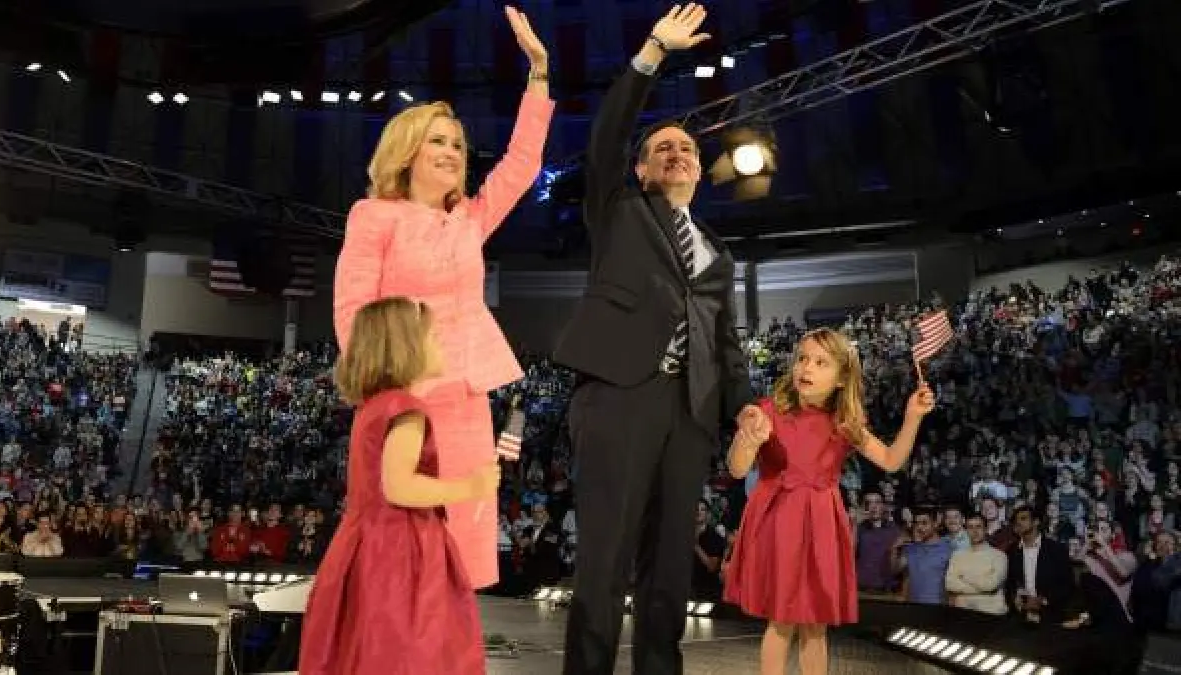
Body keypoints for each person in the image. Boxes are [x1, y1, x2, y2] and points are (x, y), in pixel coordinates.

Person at [553, 5, 768, 673]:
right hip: (618, 397)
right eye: (663, 149)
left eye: (688, 150)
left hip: (689, 413)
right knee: (605, 558)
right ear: (642, 171)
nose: (678, 154)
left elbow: (725, 340)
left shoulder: (717, 252)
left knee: (670, 563)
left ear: (700, 172)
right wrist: (651, 54)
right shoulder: (617, 212)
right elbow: (608, 140)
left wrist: (743, 404)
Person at [332, 6, 553, 590]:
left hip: (465, 397)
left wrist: (538, 72)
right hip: (403, 394)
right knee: (401, 529)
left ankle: (450, 629)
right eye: (438, 140)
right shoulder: (374, 216)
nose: (453, 150)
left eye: (457, 143)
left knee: (464, 531)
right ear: (406, 151)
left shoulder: (469, 220)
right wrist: (380, 394)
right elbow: (352, 310)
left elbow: (522, 164)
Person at [299, 298, 500, 675]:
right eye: (432, 337)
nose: (440, 343)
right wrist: (471, 487)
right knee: (407, 653)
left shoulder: (373, 408)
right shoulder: (406, 409)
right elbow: (399, 487)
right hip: (399, 554)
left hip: (367, 545)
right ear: (406, 346)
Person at [722, 327, 934, 675]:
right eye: (803, 358)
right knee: (781, 621)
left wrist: (912, 418)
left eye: (821, 362)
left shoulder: (845, 422)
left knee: (815, 623)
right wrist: (747, 439)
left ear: (841, 379)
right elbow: (737, 468)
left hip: (821, 525)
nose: (807, 367)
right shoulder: (768, 411)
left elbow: (891, 460)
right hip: (780, 522)